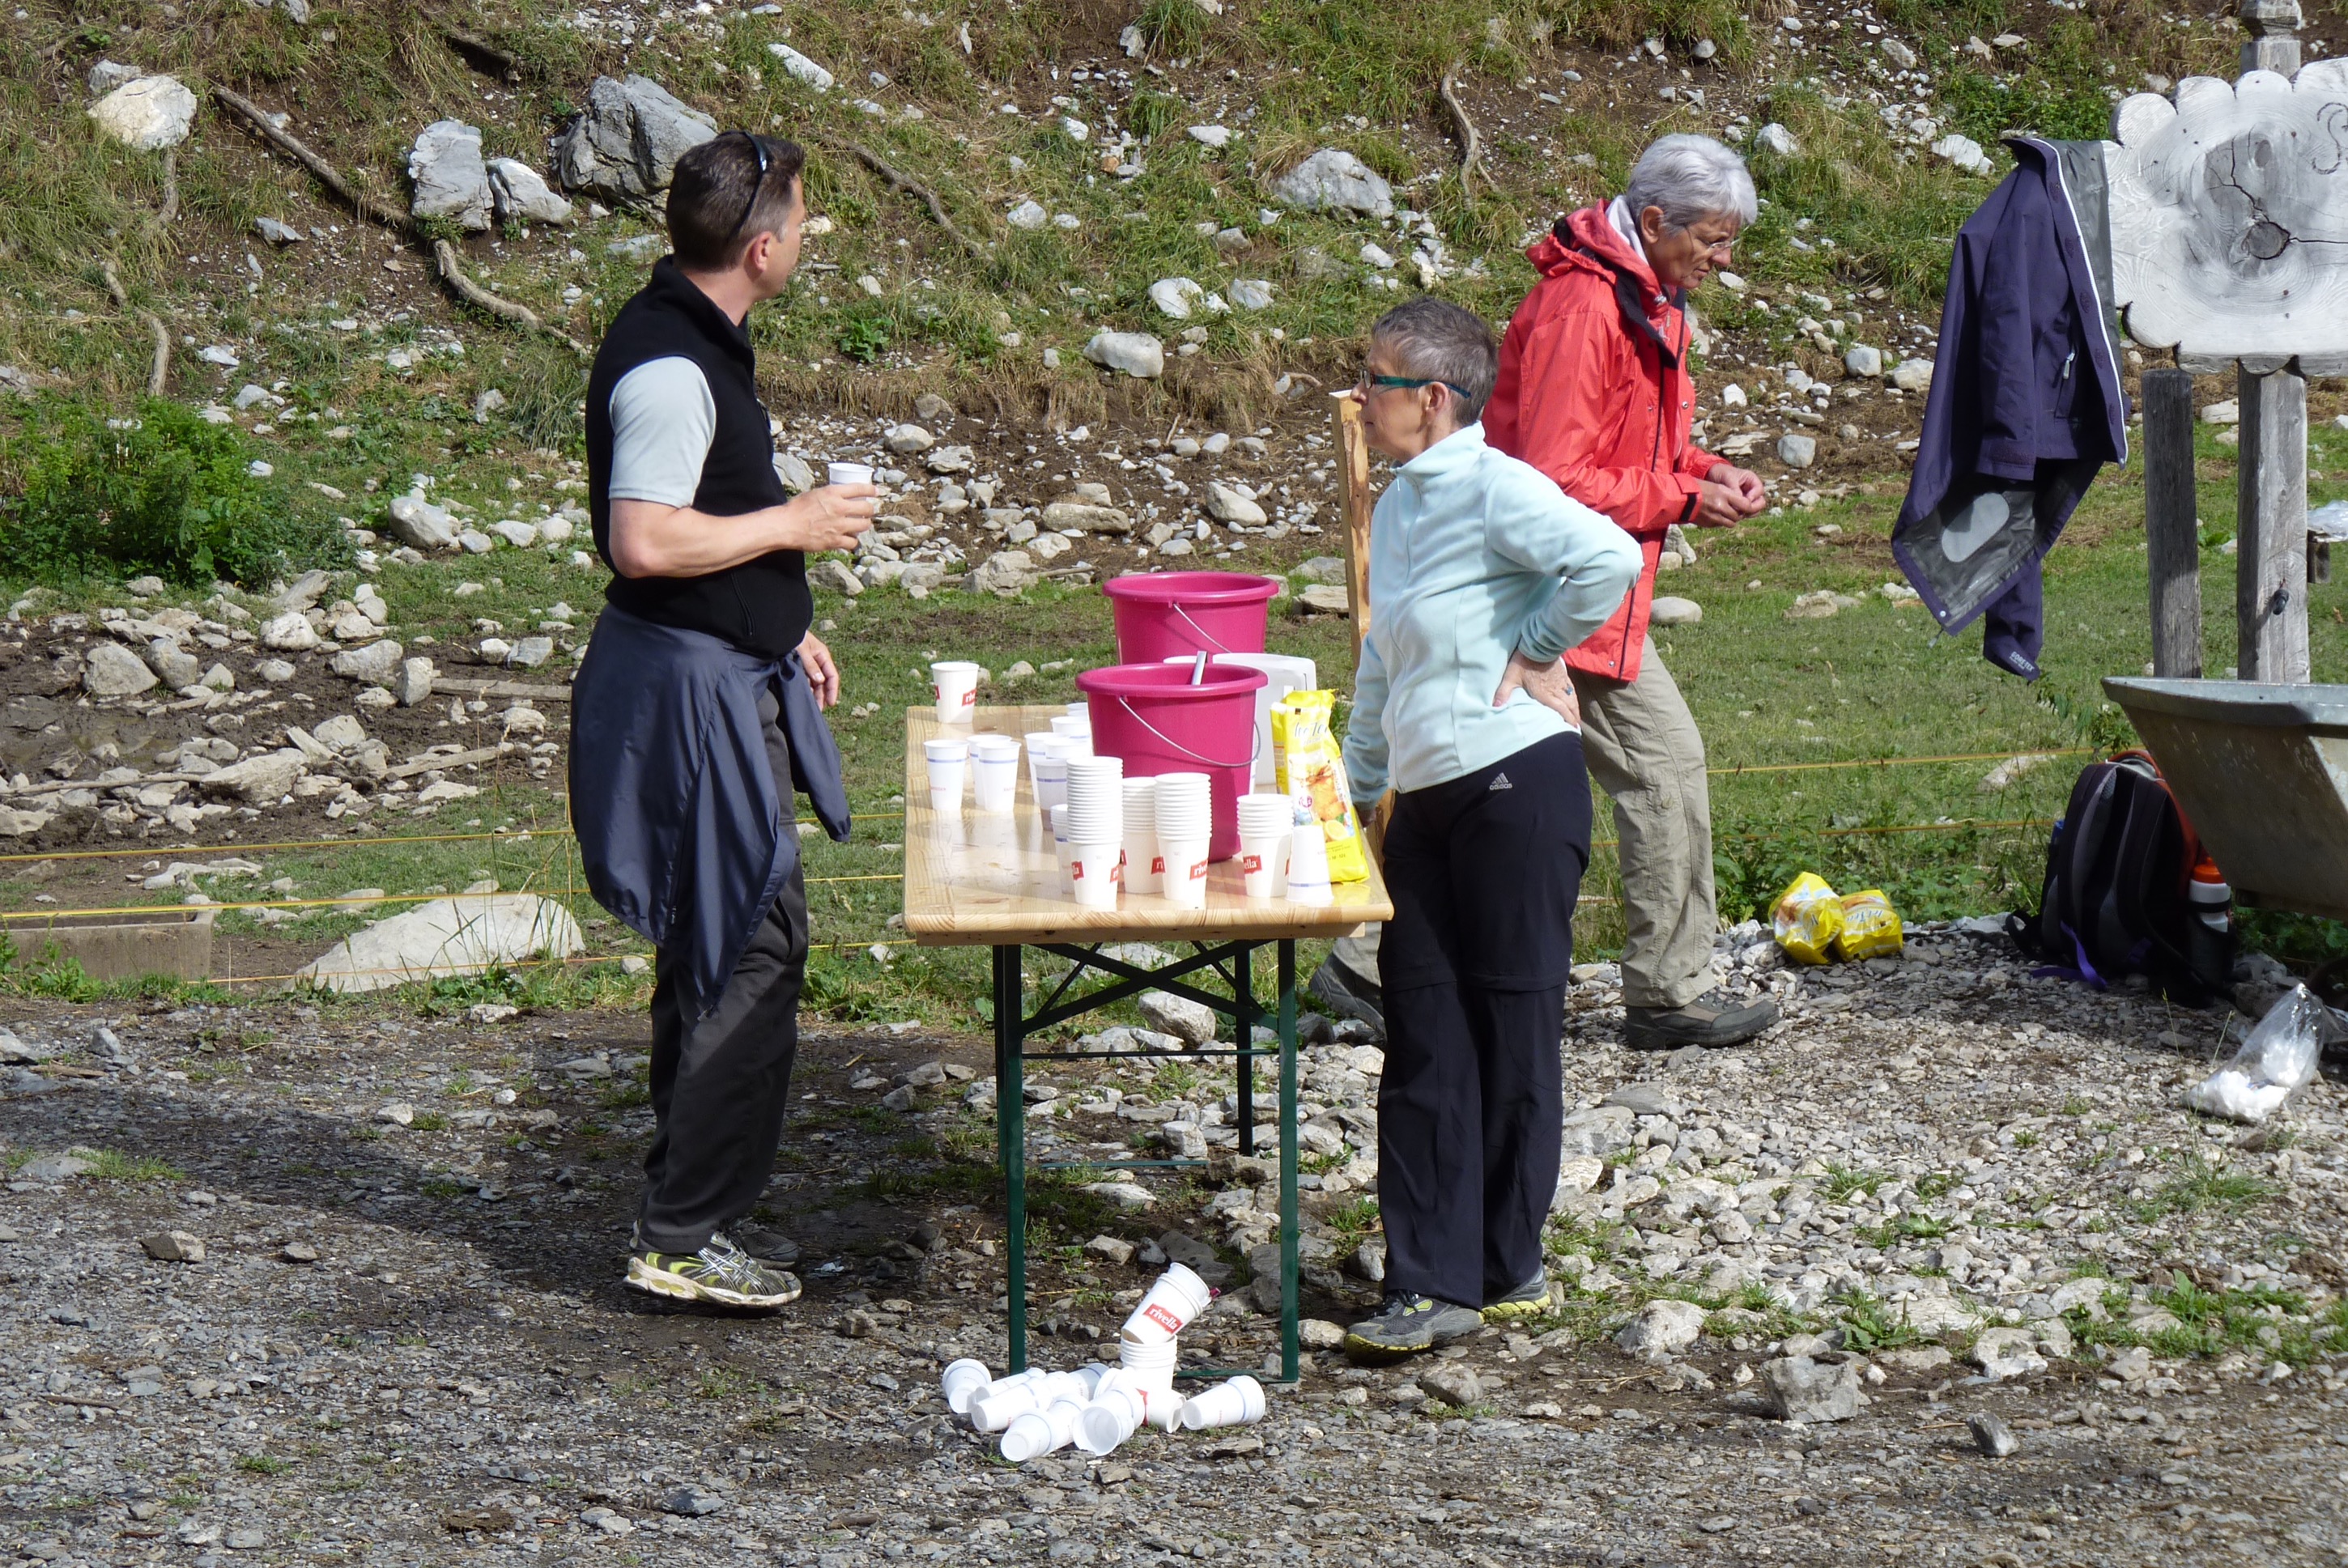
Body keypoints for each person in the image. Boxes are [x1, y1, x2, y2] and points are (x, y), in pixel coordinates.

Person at [568, 131, 875, 1309]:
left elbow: (701, 518)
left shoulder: (697, 339)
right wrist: (795, 526)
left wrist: (775, 621)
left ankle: (684, 1209)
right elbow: (643, 540)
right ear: (761, 249)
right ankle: (683, 1235)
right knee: (750, 938)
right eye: (801, 223)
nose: (806, 239)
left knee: (721, 935)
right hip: (687, 697)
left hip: (718, 665)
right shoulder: (670, 368)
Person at [1337, 298, 1642, 1357]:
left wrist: (1536, 645)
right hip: (1425, 802)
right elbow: (1382, 662)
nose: (1358, 397)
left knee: (1512, 1027)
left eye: (1374, 380)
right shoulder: (1398, 509)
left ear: (1432, 399)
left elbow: (1608, 559)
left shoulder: (1493, 485)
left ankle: (1508, 1262)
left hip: (1517, 784)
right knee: (1423, 1031)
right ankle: (1429, 1281)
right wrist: (1353, 789)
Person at [1482, 133, 1781, 1052]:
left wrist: (1707, 469)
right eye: (1714, 241)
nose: (1723, 261)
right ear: (1654, 221)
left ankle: (1365, 964)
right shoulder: (1585, 308)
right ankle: (1666, 992)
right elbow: (1552, 477)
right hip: (1554, 593)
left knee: (1477, 782)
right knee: (1663, 767)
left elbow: (1636, 444)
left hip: (1581, 584)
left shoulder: (1642, 293)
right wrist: (1681, 498)